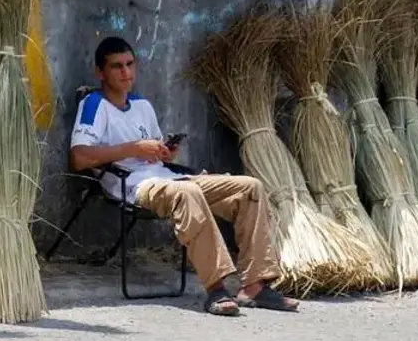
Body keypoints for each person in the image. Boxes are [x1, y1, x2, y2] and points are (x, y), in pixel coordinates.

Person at [69, 36, 299, 316]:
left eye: (130, 64)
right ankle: (216, 288)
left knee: (249, 188)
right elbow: (80, 157)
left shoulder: (142, 105)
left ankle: (254, 287)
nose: (126, 72)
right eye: (117, 66)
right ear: (100, 73)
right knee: (188, 194)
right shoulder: (94, 104)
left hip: (168, 177)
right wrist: (134, 148)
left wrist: (164, 153)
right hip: (136, 186)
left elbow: (151, 152)